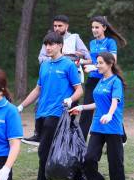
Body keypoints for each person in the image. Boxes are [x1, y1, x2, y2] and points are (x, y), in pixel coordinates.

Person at [17, 32, 83, 180]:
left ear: (60, 45)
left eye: (51, 44)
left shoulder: (68, 65)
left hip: (57, 113)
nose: (47, 47)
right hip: (42, 113)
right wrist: (22, 106)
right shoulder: (44, 65)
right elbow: (37, 89)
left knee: (44, 149)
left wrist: (70, 99)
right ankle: (78, 173)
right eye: (46, 44)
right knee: (57, 147)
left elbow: (79, 90)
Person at [70, 52, 129, 180]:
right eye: (97, 62)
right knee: (89, 157)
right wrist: (82, 107)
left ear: (110, 64)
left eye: (101, 62)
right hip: (97, 125)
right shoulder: (101, 81)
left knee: (115, 160)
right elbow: (99, 103)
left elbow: (115, 101)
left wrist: (109, 114)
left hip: (113, 126)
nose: (98, 65)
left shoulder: (115, 82)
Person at [24, 14, 90, 146]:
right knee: (41, 104)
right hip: (52, 75)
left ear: (66, 26)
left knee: (69, 112)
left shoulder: (74, 38)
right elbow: (41, 58)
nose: (57, 28)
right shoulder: (49, 40)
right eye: (55, 25)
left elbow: (88, 58)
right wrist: (55, 58)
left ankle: (69, 141)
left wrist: (76, 57)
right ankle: (39, 135)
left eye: (60, 25)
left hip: (71, 78)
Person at [78, 16, 127, 141]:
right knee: (86, 110)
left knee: (109, 107)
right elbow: (94, 60)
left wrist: (94, 67)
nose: (94, 30)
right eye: (92, 27)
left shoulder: (110, 42)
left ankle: (121, 136)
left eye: (97, 27)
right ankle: (81, 142)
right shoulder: (92, 43)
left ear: (104, 28)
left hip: (107, 80)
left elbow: (113, 60)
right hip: (93, 80)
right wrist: (81, 61)